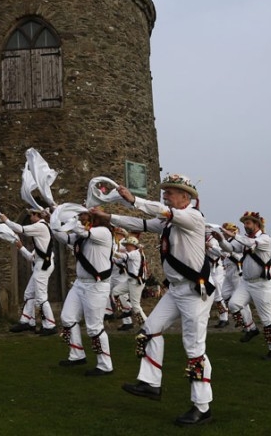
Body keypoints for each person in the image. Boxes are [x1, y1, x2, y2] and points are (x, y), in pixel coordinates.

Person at [92, 173, 215, 427]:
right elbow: (143, 224)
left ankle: (202, 407)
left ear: (185, 197)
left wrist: (133, 198)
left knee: (194, 349)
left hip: (194, 292)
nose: (165, 195)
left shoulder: (193, 217)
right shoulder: (170, 222)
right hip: (177, 291)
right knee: (149, 330)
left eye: (170, 192)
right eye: (165, 191)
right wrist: (109, 218)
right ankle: (150, 384)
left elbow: (158, 211)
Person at [52, 210, 114, 376]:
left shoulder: (103, 232)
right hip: (80, 284)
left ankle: (105, 365)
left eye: (82, 214)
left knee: (94, 327)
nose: (79, 217)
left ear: (94, 217)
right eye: (78, 215)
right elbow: (63, 237)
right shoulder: (83, 235)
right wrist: (53, 221)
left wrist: (65, 217)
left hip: (96, 285)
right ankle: (77, 354)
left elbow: (81, 231)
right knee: (67, 318)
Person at [214, 211, 271, 361]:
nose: (245, 225)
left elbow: (250, 244)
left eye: (248, 223)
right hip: (246, 282)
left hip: (262, 284)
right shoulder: (244, 240)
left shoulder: (265, 239)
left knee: (266, 318)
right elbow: (230, 249)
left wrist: (231, 235)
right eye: (244, 223)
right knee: (233, 304)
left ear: (257, 224)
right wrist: (220, 240)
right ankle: (251, 329)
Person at [0, 208, 58, 335]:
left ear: (36, 215)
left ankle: (49, 325)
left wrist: (6, 221)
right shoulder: (41, 235)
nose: (30, 217)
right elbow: (31, 257)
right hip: (41, 265)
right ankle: (27, 322)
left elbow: (21, 229)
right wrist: (20, 247)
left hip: (43, 266)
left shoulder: (41, 226)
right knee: (29, 294)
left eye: (31, 215)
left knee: (41, 298)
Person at [111, 235, 148, 328]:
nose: (126, 247)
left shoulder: (135, 253)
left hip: (136, 283)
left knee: (136, 306)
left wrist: (111, 252)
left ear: (132, 245)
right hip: (130, 281)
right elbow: (119, 261)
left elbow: (123, 256)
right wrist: (109, 257)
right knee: (115, 292)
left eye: (127, 245)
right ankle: (127, 310)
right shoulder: (132, 253)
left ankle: (146, 327)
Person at [106, 226, 134, 331]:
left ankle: (129, 321)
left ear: (122, 234)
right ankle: (108, 313)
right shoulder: (112, 242)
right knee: (106, 293)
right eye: (115, 233)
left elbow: (125, 257)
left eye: (118, 233)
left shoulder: (123, 243)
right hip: (110, 272)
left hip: (120, 273)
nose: (115, 234)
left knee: (122, 296)